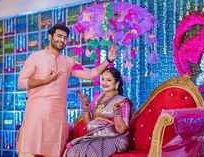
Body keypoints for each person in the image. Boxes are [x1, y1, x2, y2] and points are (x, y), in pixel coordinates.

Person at [16, 24, 117, 157]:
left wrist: (108, 59)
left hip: (58, 115)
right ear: (50, 37)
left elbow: (90, 74)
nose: (62, 40)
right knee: (29, 150)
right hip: (37, 112)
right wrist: (44, 81)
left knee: (54, 150)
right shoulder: (35, 57)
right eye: (59, 36)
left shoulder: (69, 62)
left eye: (65, 37)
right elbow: (21, 82)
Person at [64, 67, 133, 157]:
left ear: (117, 83)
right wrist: (85, 106)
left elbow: (121, 130)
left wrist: (115, 112)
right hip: (96, 137)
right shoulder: (96, 99)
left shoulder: (123, 102)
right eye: (102, 79)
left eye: (108, 80)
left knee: (90, 152)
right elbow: (89, 125)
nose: (104, 82)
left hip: (116, 138)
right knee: (72, 150)